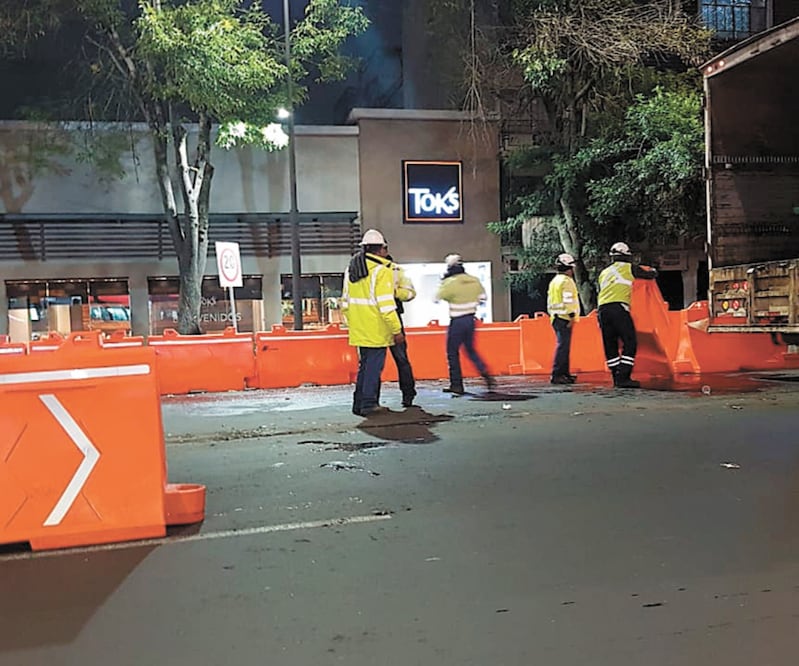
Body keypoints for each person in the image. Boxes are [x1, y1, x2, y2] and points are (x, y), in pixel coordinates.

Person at [340, 229, 405, 416]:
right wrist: (396, 329)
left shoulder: (352, 270)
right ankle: (369, 403)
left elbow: (345, 303)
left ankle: (359, 403)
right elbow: (386, 306)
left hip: (359, 328)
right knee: (374, 368)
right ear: (381, 250)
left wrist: (353, 323)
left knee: (365, 367)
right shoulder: (381, 272)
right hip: (376, 329)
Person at [597, 242, 658, 389]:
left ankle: (616, 376)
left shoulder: (604, 273)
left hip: (602, 310)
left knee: (610, 344)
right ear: (627, 256)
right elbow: (650, 275)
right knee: (630, 341)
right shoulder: (629, 268)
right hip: (619, 308)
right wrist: (654, 269)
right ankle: (624, 376)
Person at [435, 253, 496, 395]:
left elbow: (436, 298)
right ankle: (485, 372)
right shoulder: (474, 280)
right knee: (471, 350)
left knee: (452, 352)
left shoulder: (449, 282)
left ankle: (456, 385)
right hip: (470, 320)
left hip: (457, 321)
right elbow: (483, 298)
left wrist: (444, 283)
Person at [385, 253, 417, 407]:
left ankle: (370, 400)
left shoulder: (395, 270)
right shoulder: (397, 270)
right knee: (402, 359)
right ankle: (408, 394)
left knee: (372, 363)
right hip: (393, 316)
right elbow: (409, 293)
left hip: (378, 318)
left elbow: (409, 293)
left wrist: (392, 291)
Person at [547, 252, 580, 385]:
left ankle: (564, 374)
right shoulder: (567, 281)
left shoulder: (555, 281)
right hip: (565, 317)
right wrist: (572, 316)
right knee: (563, 347)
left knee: (564, 346)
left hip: (556, 317)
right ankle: (558, 374)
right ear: (568, 268)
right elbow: (568, 300)